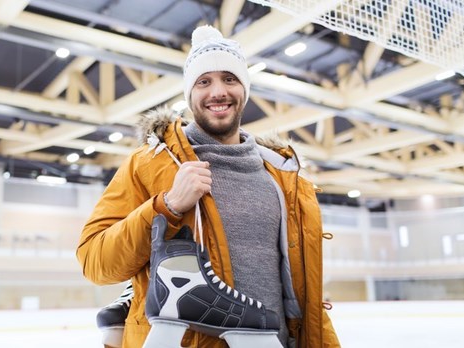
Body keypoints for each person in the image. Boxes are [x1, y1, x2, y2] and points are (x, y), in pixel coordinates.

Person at [77, 25, 340, 348]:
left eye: (229, 79)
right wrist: (167, 206)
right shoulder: (148, 165)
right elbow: (95, 262)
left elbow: (303, 292)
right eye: (204, 82)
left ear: (244, 88)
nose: (218, 92)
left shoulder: (282, 178)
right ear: (189, 94)